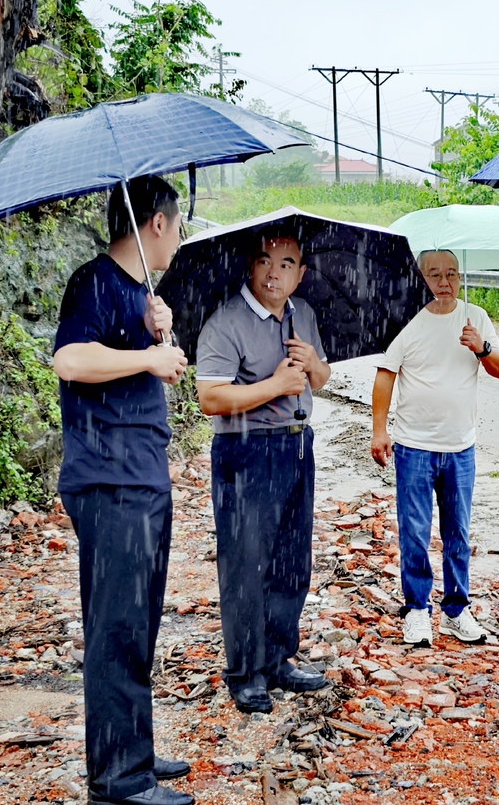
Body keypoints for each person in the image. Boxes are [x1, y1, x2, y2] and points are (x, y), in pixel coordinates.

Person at [53, 176, 193, 805]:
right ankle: (117, 778)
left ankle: (132, 746)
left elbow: (138, 362)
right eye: (178, 222)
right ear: (155, 224)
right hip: (108, 480)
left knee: (138, 622)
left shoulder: (139, 293)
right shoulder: (91, 282)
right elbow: (71, 361)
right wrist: (145, 358)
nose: (180, 235)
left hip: (141, 474)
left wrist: (156, 332)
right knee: (116, 625)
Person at [195, 234, 331, 715]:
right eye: (264, 262)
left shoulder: (303, 314)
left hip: (297, 445)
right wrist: (274, 385)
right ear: (251, 267)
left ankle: (277, 659)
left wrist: (315, 366)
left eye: (286, 263)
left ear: (301, 272)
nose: (274, 273)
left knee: (292, 560)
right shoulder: (226, 322)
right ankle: (246, 672)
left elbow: (320, 379)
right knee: (246, 565)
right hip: (246, 450)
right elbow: (210, 398)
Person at [370, 250, 499, 646]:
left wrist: (480, 347)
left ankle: (456, 610)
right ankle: (416, 609)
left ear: (460, 276)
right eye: (434, 274)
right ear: (421, 278)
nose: (444, 281)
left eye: (451, 273)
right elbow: (385, 376)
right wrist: (379, 430)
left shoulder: (475, 317)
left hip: (460, 447)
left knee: (457, 533)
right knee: (414, 532)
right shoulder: (405, 319)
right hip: (413, 446)